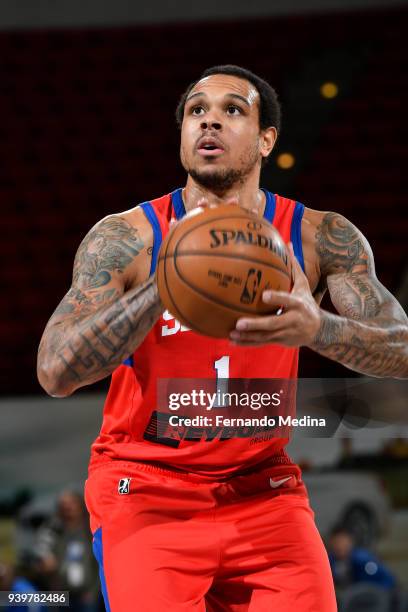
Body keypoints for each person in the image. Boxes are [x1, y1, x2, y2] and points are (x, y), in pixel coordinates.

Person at [37, 64, 408, 611]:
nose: (209, 120)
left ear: (266, 140)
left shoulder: (318, 237)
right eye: (196, 111)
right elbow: (55, 371)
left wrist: (320, 327)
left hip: (263, 490)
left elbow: (401, 348)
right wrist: (163, 286)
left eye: (232, 109)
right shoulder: (126, 239)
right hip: (146, 487)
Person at [34, 490, 99, 612]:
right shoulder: (52, 530)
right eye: (63, 504)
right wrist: (44, 561)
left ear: (80, 505)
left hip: (86, 596)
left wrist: (93, 592)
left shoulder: (90, 530)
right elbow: (40, 552)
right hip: (60, 594)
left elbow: (100, 563)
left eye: (71, 503)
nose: (67, 507)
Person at [327, 526, 396, 592]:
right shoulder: (329, 561)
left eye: (343, 541)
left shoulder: (362, 559)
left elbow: (387, 579)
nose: (340, 546)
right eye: (337, 542)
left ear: (350, 542)